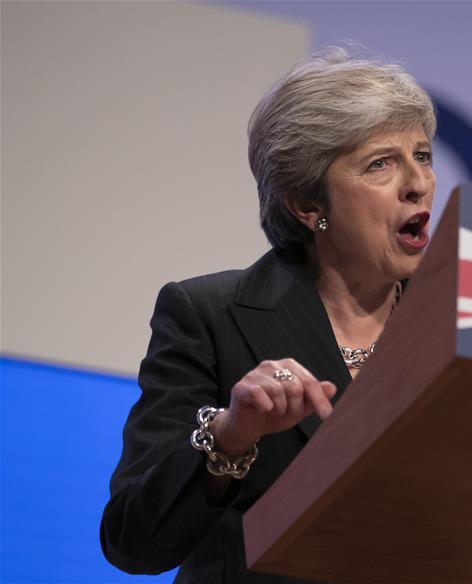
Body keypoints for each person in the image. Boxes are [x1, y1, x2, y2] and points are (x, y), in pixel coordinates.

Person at [100, 48, 437, 584]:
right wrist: (230, 437)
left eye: (422, 155)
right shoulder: (209, 315)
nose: (418, 182)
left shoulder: (463, 324)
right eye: (381, 163)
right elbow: (132, 541)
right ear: (307, 204)